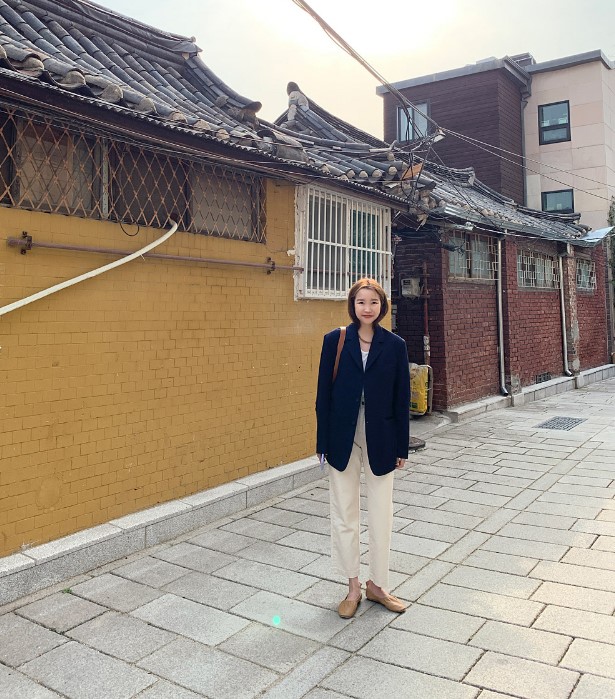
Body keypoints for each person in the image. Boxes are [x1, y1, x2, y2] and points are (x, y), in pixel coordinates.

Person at [316, 278, 411, 619]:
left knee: (382, 513)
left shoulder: (395, 345)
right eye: (360, 302)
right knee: (344, 512)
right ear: (352, 305)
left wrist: (402, 446)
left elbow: (401, 398)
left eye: (373, 302)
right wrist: (322, 442)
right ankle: (353, 586)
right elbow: (323, 395)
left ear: (382, 306)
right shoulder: (335, 340)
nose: (367, 308)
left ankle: (378, 585)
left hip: (382, 437)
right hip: (342, 435)